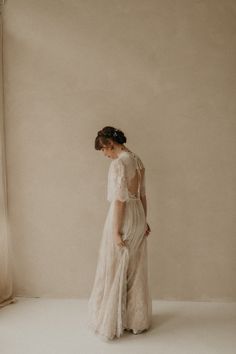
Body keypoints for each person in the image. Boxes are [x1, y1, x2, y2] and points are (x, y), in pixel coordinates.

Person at [87, 126, 152, 341]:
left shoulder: (118, 164)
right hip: (138, 216)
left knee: (115, 267)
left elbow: (120, 200)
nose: (105, 155)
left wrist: (115, 231)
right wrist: (144, 220)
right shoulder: (137, 159)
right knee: (133, 268)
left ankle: (115, 320)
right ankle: (135, 321)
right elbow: (142, 194)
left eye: (104, 150)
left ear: (110, 144)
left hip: (122, 217)